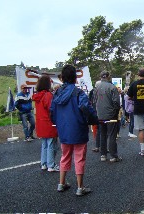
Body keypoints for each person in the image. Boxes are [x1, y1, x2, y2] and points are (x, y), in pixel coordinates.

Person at [50, 64, 95, 196]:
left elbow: (52, 112)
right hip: (78, 129)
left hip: (63, 130)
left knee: (64, 156)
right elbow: (87, 109)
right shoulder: (78, 93)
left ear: (62, 78)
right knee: (79, 157)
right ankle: (80, 187)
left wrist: (57, 123)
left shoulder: (57, 93)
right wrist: (93, 120)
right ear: (75, 78)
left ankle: (61, 183)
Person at [32, 75, 59, 172]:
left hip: (40, 123)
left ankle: (44, 163)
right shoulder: (48, 95)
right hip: (49, 123)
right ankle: (51, 165)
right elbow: (52, 109)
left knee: (44, 144)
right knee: (51, 144)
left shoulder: (38, 96)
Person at [93, 71, 121, 162]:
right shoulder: (112, 87)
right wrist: (115, 113)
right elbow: (116, 102)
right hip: (110, 114)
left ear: (100, 77)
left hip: (100, 115)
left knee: (102, 134)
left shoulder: (96, 88)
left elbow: (94, 102)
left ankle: (103, 155)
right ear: (108, 77)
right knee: (112, 135)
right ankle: (113, 156)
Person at [89, 81, 101, 152]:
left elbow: (90, 102)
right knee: (103, 130)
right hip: (102, 113)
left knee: (97, 130)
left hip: (95, 112)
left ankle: (97, 146)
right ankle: (103, 147)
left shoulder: (92, 92)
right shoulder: (104, 91)